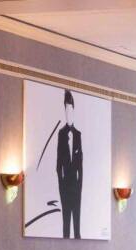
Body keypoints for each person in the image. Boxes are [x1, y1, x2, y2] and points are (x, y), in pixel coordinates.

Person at [56, 90, 83, 239]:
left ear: (73, 110)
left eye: (70, 109)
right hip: (65, 185)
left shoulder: (78, 135)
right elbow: (58, 163)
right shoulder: (61, 134)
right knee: (66, 222)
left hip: (76, 185)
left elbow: (81, 164)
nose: (68, 113)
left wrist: (80, 184)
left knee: (77, 223)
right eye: (66, 110)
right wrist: (61, 183)